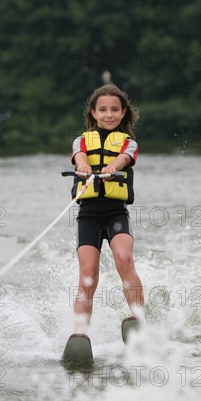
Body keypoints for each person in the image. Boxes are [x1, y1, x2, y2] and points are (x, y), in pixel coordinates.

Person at [71, 83, 144, 334]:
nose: (109, 114)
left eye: (115, 109)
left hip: (116, 213)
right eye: (102, 109)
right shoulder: (81, 141)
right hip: (88, 215)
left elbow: (124, 158)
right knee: (88, 274)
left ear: (123, 112)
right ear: (93, 113)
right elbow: (79, 155)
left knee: (124, 259)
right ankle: (80, 334)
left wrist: (113, 166)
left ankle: (138, 319)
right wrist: (83, 165)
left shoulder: (129, 143)